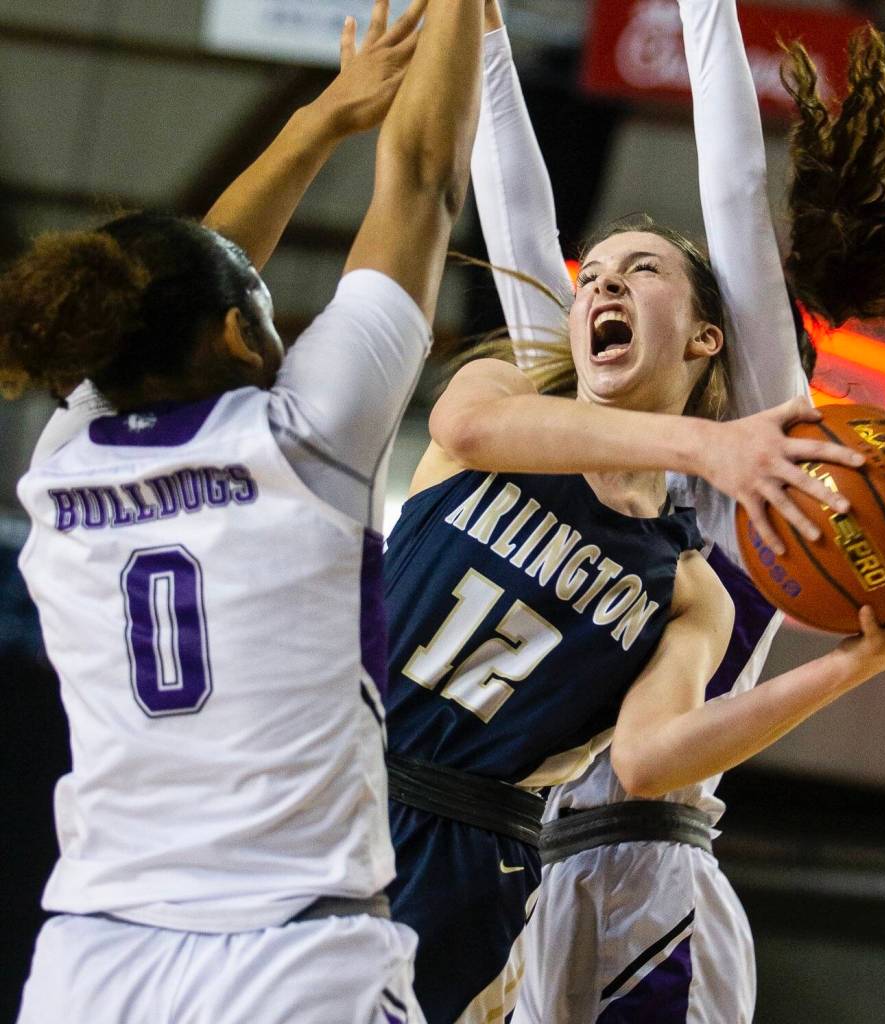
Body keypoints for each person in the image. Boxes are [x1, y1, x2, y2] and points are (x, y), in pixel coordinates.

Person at [466, 0, 885, 1020]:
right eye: (596, 274)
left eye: (642, 269)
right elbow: (515, 214)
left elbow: (737, 188)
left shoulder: (748, 486)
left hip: (646, 893)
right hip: (513, 878)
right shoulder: (554, 432)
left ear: (712, 339)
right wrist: (473, 28)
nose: (601, 284)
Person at [3, 1, 484, 1021]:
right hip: (289, 954)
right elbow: (427, 179)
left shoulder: (62, 460)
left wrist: (317, 123)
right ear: (234, 334)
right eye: (262, 312)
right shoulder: (304, 440)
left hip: (97, 956)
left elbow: (160, 282)